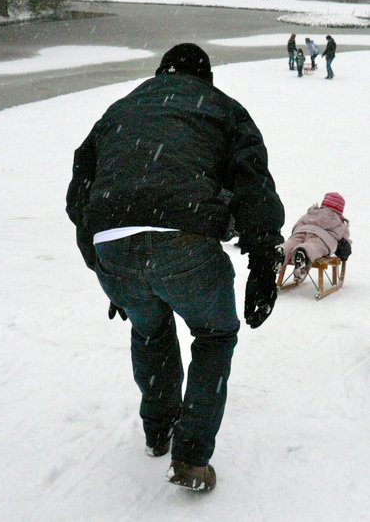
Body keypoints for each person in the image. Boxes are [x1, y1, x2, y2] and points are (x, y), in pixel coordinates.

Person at [66, 43, 285, 493]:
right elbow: (252, 182)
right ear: (205, 77)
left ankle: (157, 428)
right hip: (183, 237)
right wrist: (263, 259)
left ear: (161, 71)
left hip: (112, 240)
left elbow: (79, 194)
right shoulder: (221, 108)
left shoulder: (120, 109)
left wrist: (104, 266)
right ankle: (190, 457)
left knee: (149, 330)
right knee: (215, 334)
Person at [275, 192, 351, 280]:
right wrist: (344, 252)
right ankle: (303, 253)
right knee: (314, 246)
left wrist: (296, 233)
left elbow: (297, 225)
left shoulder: (311, 213)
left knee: (293, 242)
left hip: (302, 231)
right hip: (323, 239)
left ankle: (283, 251)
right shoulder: (340, 223)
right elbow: (345, 243)